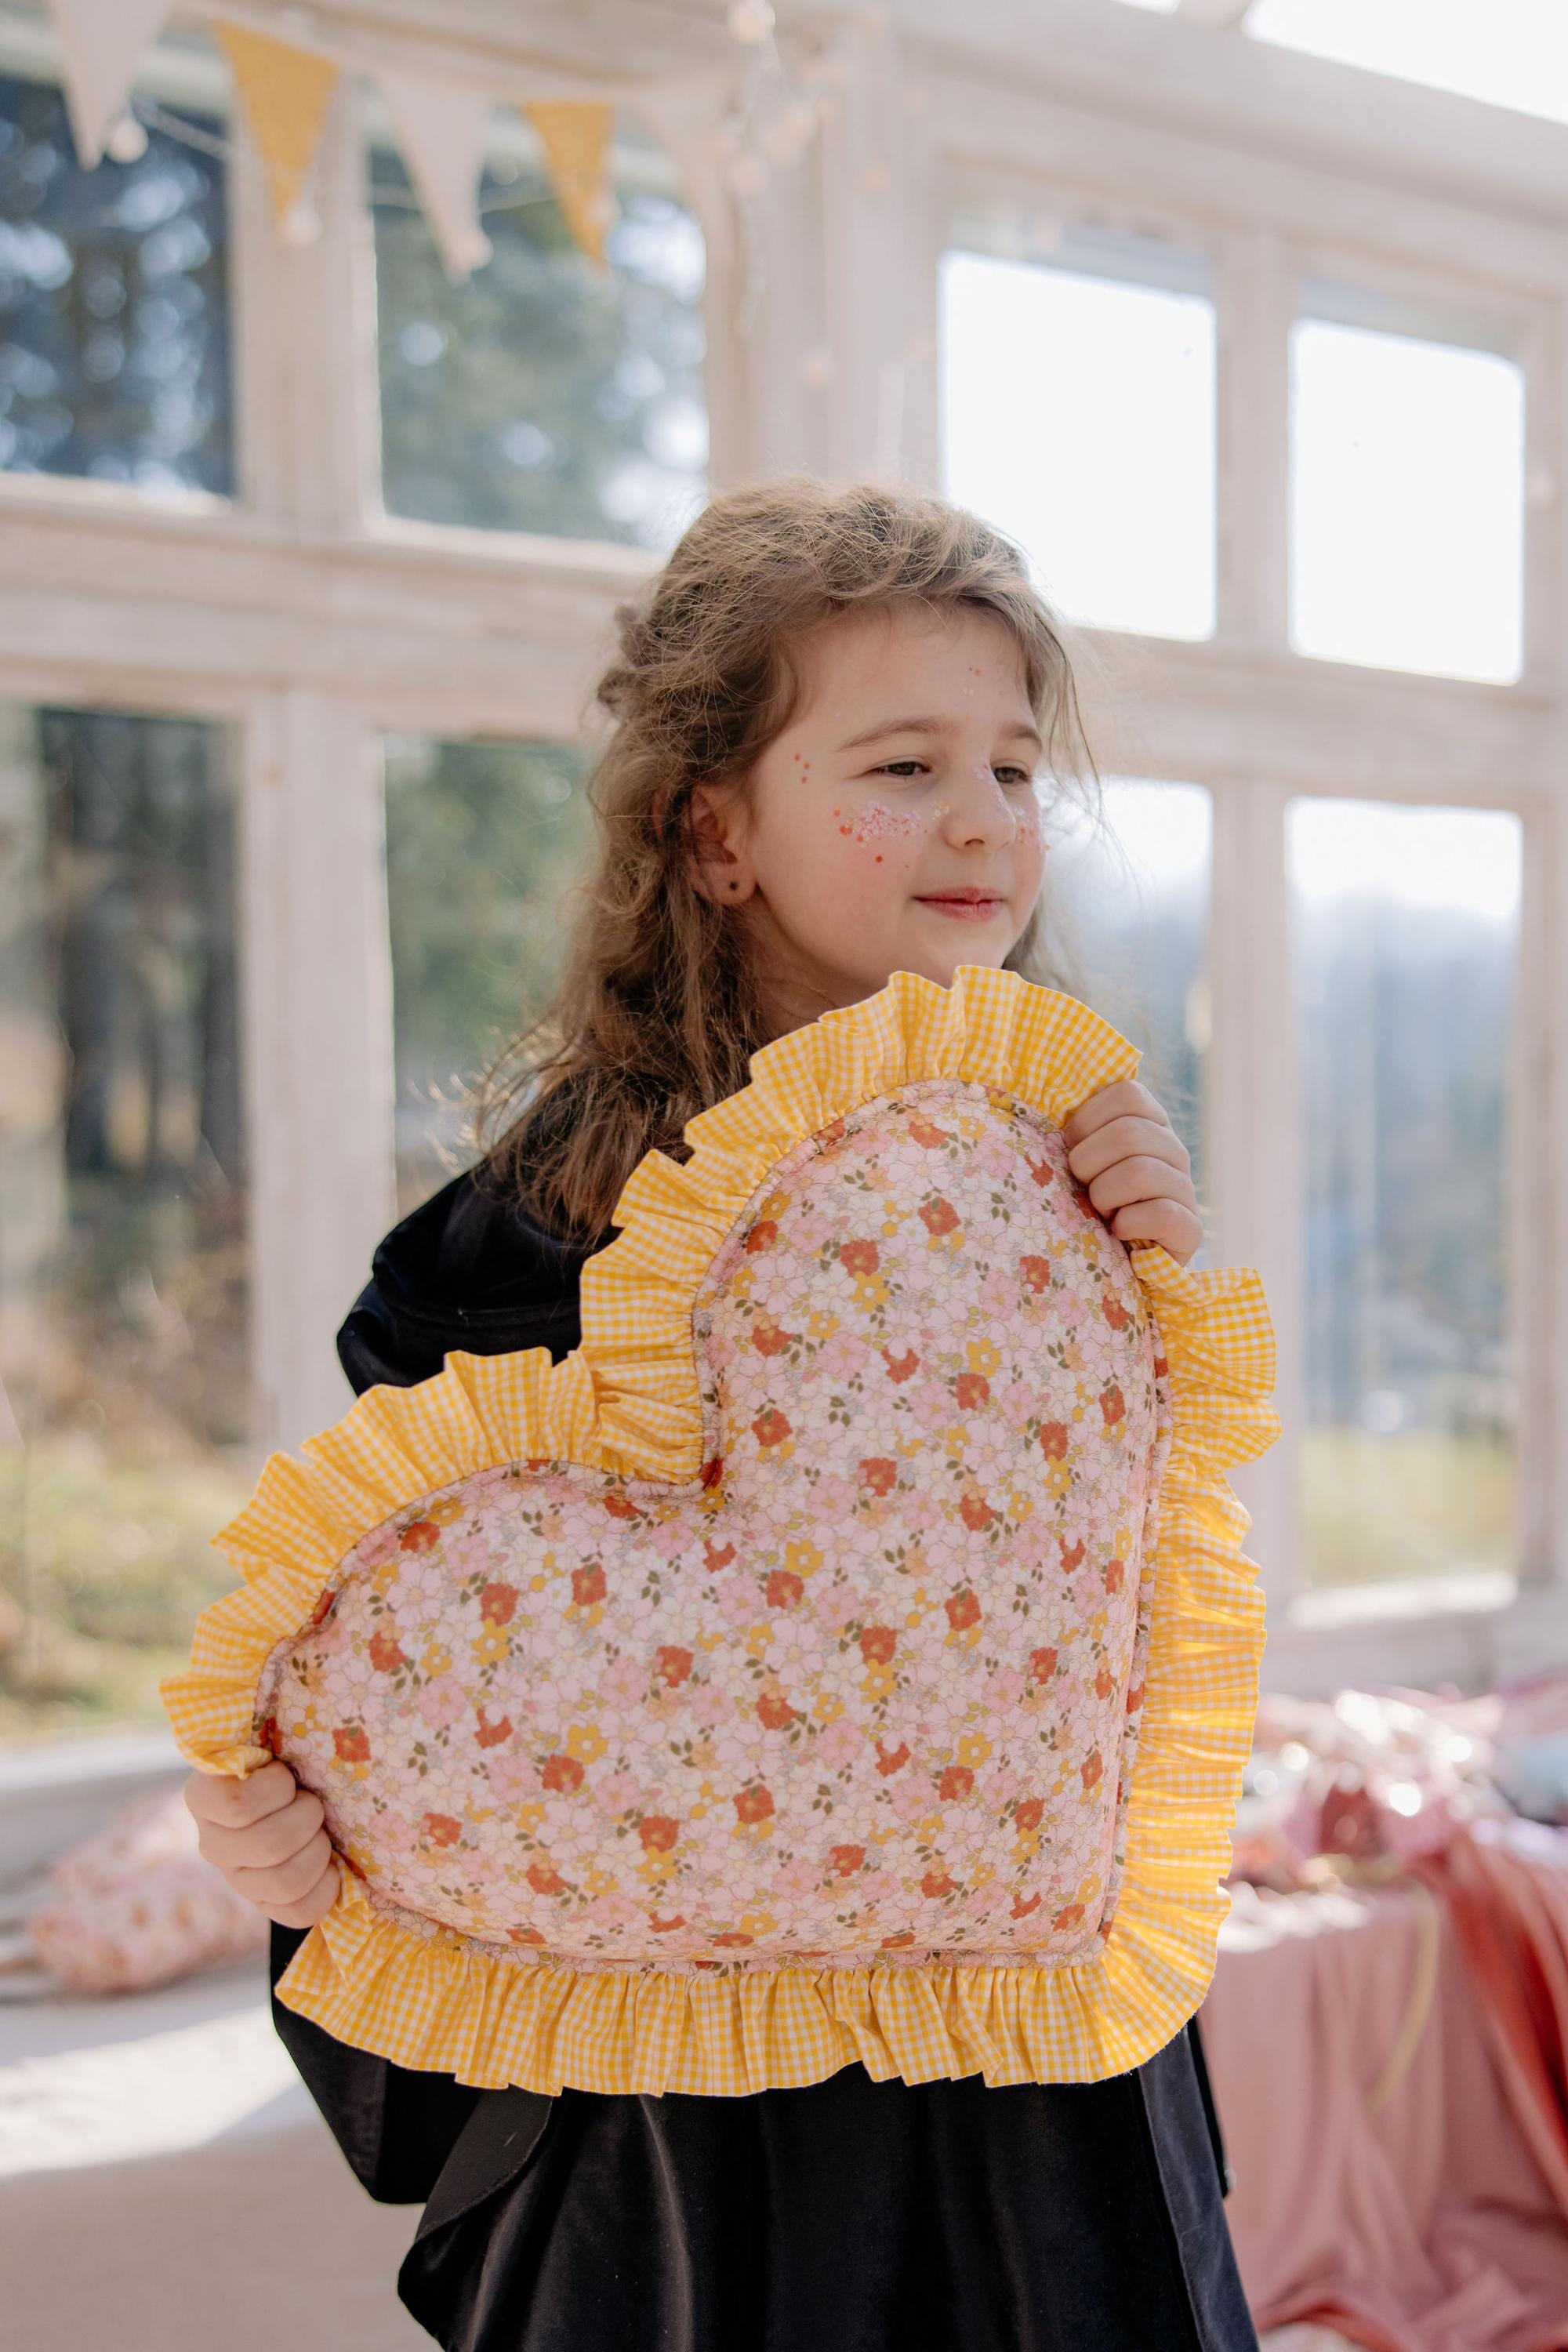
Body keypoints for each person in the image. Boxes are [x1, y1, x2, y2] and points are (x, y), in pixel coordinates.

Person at [184, 476, 1259, 2352]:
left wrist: (1146, 1272)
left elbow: (1115, 1615)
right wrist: (297, 1854)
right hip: (682, 2176)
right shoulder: (523, 1246)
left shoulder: (1066, 1163)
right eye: (904, 763)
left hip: (1044, 2121)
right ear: (714, 831)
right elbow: (406, 1669)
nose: (983, 825)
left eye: (1014, 768)